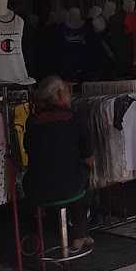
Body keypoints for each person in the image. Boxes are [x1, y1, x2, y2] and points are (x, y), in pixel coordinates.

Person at [23, 75, 94, 253]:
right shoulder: (75, 118)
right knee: (83, 177)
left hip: (38, 189)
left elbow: (29, 151)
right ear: (60, 94)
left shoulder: (32, 121)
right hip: (70, 188)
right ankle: (79, 234)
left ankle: (36, 237)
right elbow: (88, 156)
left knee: (50, 177)